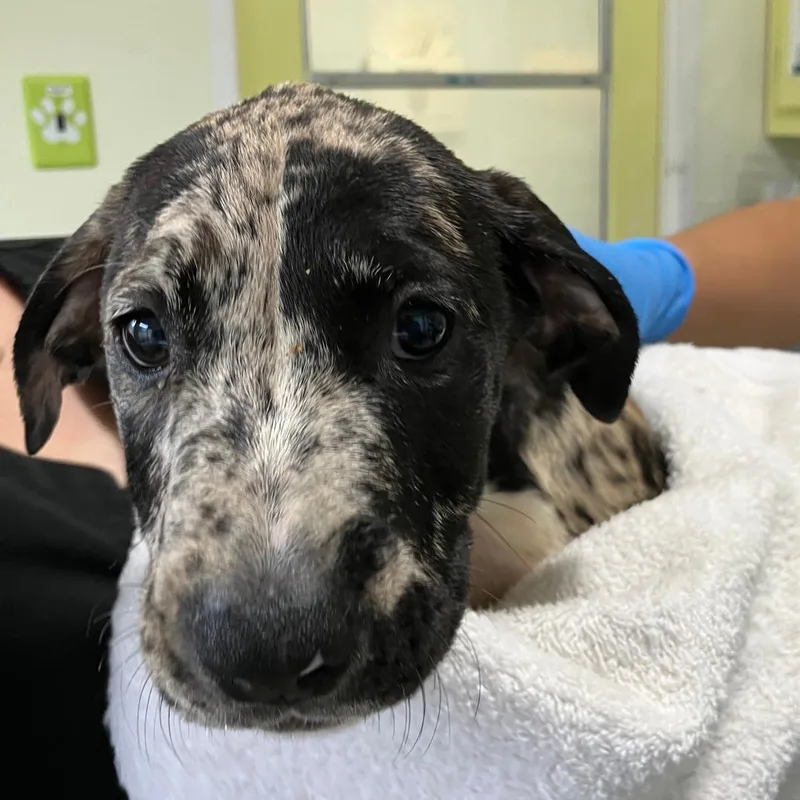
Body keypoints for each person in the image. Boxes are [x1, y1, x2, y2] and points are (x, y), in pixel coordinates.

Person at [3, 196, 800, 794]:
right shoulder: (119, 257)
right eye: (147, 336)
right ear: (70, 340)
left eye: (418, 327)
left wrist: (665, 278)